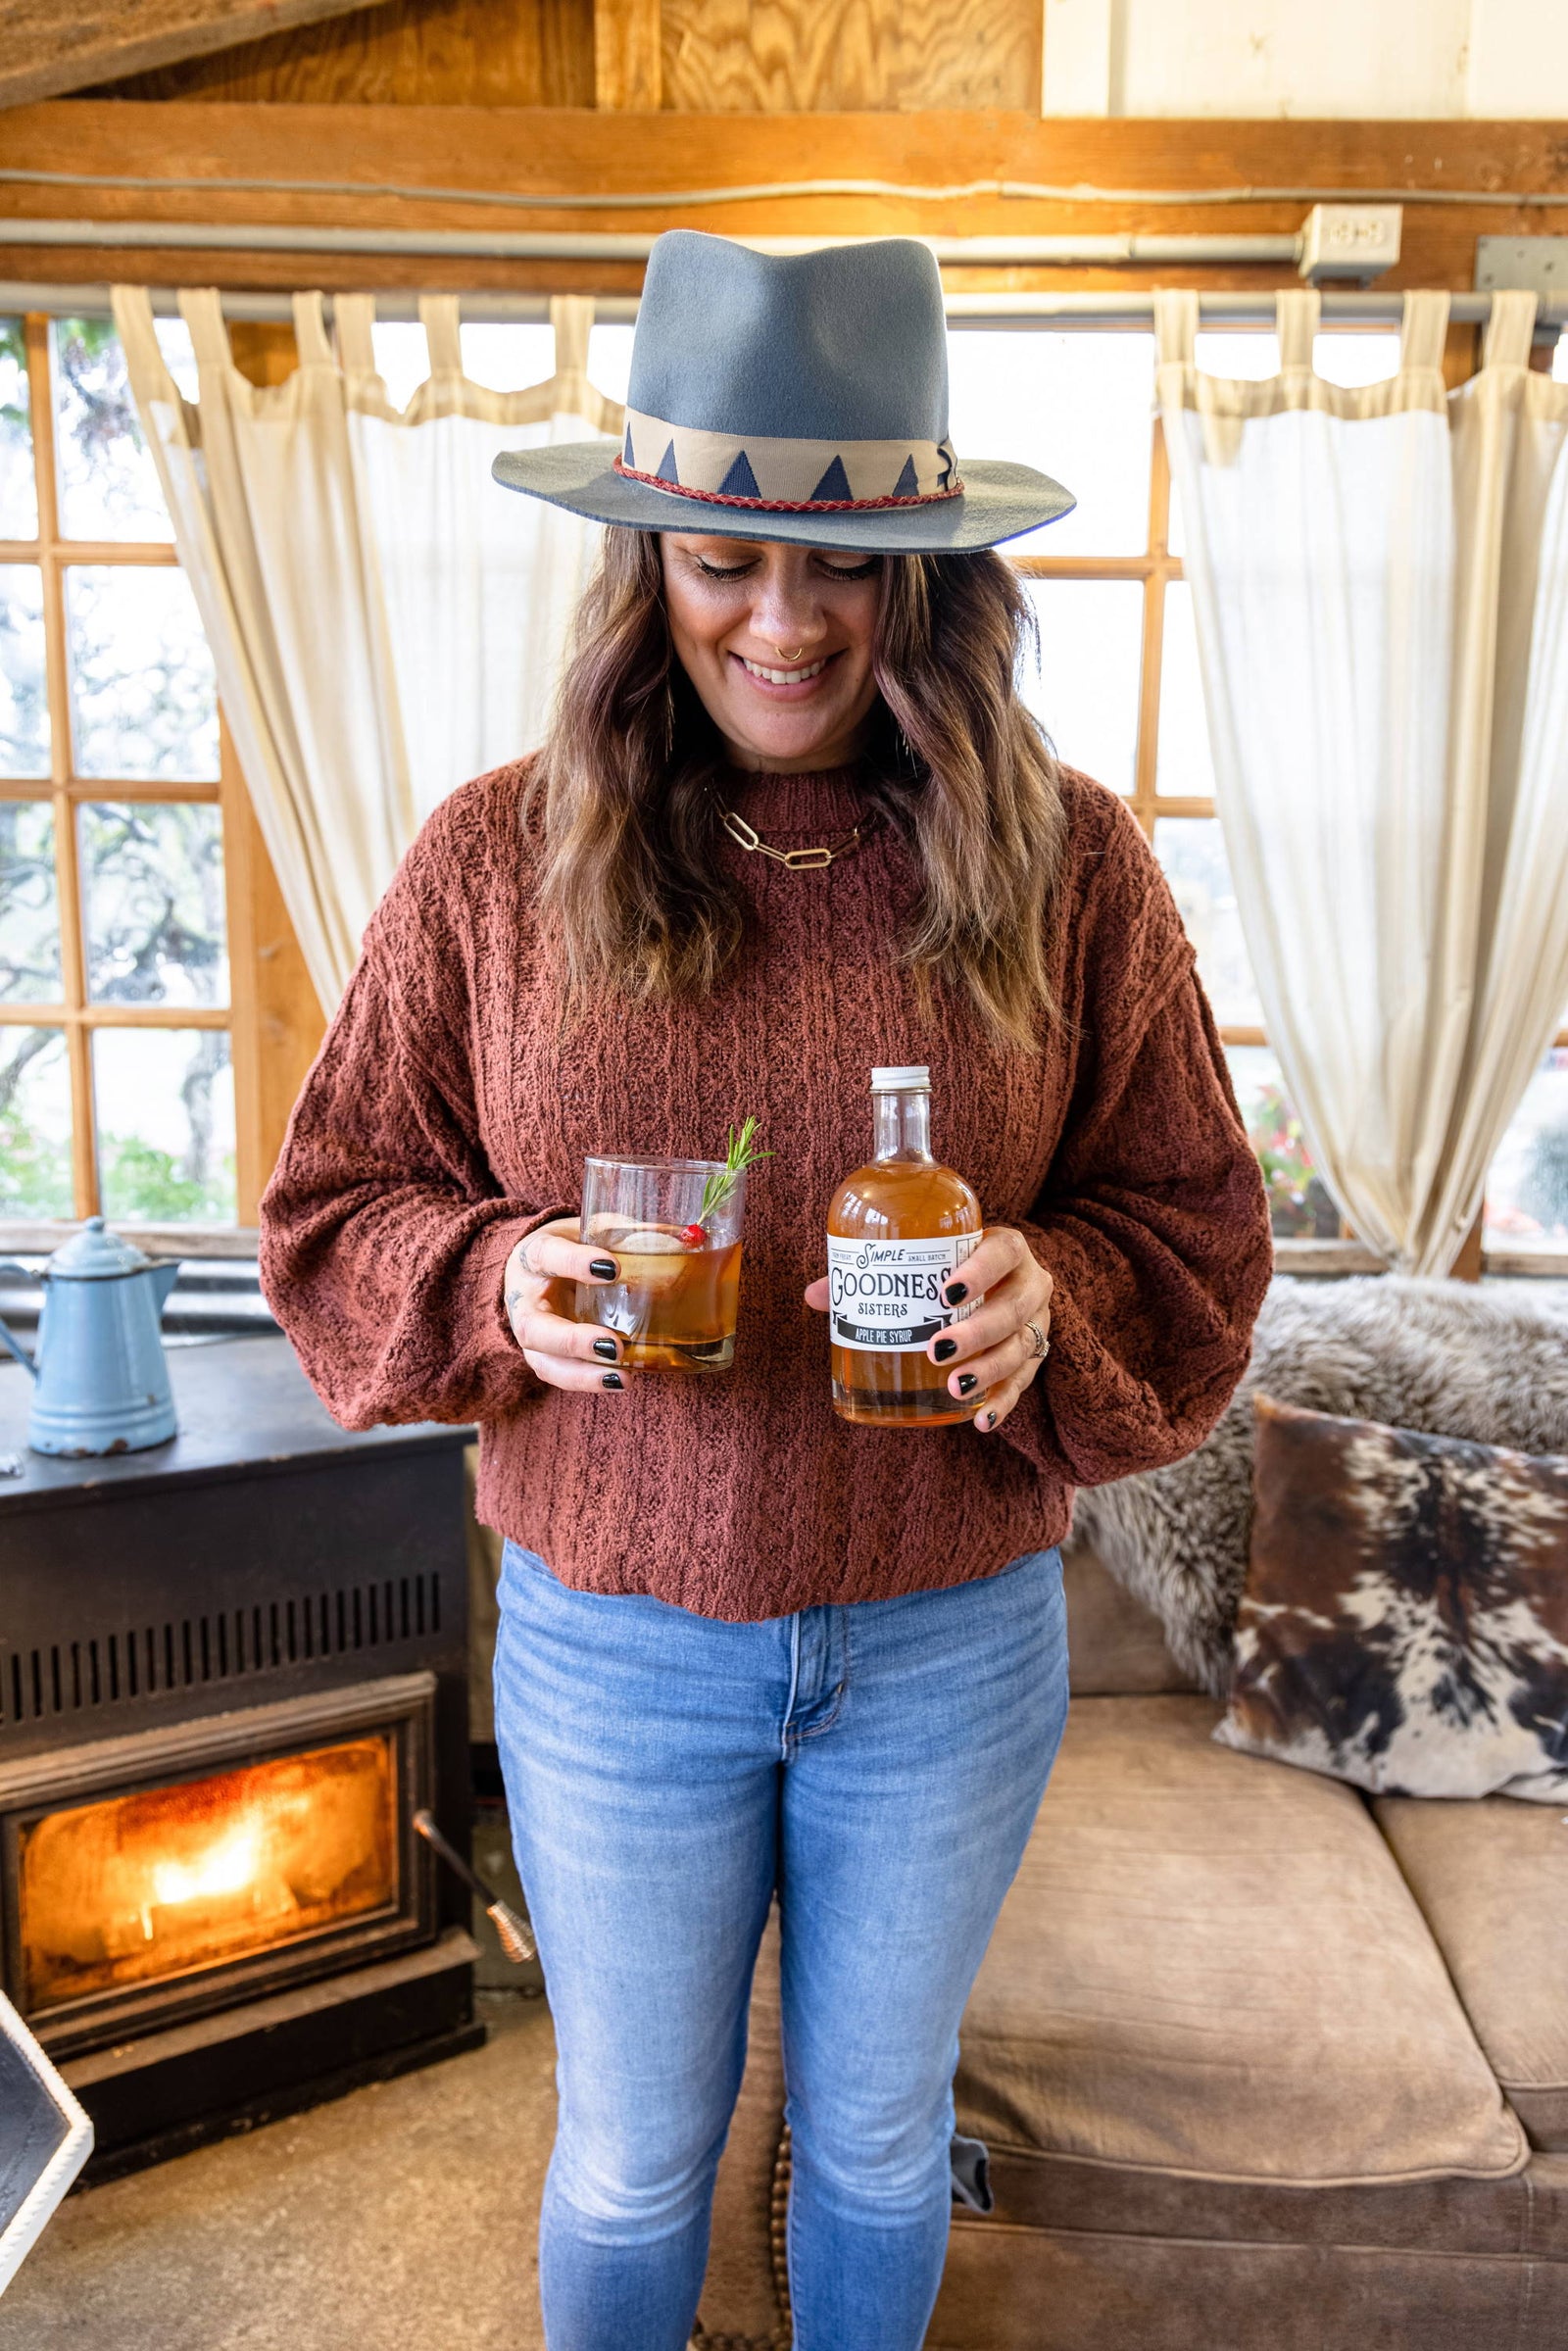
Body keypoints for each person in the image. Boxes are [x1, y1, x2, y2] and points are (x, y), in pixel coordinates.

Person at [260, 231, 1274, 2351]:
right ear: (645, 570)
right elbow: (336, 1204)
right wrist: (497, 1275)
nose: (780, 620)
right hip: (614, 1651)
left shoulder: (1070, 868)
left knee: (881, 2140)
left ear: (927, 580)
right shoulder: (488, 861)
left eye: (838, 569)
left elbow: (1189, 1221)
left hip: (947, 1643)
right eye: (722, 562)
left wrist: (1041, 1298)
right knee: (634, 2155)